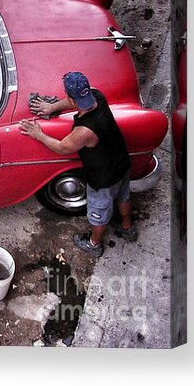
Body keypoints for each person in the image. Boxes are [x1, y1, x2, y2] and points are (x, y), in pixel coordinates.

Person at [19, 71, 137, 258]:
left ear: (73, 99)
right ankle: (127, 228)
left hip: (103, 178)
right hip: (122, 163)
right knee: (123, 197)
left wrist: (38, 134)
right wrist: (51, 107)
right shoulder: (97, 95)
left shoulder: (85, 130)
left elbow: (62, 147)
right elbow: (73, 101)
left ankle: (94, 244)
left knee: (99, 213)